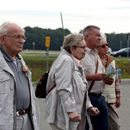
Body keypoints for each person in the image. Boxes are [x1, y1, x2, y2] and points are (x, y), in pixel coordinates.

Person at [45, 33, 99, 130]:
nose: (85, 50)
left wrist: (88, 106)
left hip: (74, 115)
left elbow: (81, 89)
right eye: (82, 47)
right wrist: (71, 111)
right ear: (72, 48)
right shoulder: (66, 61)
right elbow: (63, 88)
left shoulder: (74, 62)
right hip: (64, 116)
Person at [0, 22, 40, 130]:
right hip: (6, 122)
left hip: (27, 120)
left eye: (23, 37)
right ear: (2, 39)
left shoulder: (20, 60)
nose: (22, 41)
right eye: (17, 37)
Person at [81, 25, 113, 130]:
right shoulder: (81, 54)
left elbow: (101, 74)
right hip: (87, 97)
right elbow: (76, 76)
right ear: (87, 36)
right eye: (97, 35)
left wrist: (106, 79)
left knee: (104, 128)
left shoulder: (96, 54)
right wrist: (95, 77)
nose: (100, 38)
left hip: (100, 97)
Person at [97, 33, 121, 130]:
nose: (106, 47)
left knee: (114, 126)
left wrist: (118, 97)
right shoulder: (93, 60)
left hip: (110, 99)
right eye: (103, 45)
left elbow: (116, 81)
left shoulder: (111, 61)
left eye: (107, 44)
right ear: (97, 48)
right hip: (98, 98)